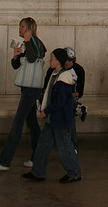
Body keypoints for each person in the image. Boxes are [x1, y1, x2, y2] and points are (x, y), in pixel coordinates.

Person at [0, 17, 46, 171]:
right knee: (32, 124)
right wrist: (15, 56)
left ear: (30, 28)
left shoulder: (36, 43)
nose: (19, 29)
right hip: (27, 88)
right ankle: (38, 158)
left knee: (17, 123)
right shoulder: (26, 44)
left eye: (22, 26)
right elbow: (16, 65)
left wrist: (27, 41)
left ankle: (4, 161)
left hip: (31, 89)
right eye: (19, 26)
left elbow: (34, 58)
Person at [22, 48, 82, 184]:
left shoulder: (64, 78)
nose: (50, 61)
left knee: (65, 147)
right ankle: (38, 172)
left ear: (59, 62)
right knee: (43, 145)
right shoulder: (54, 74)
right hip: (52, 119)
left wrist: (46, 110)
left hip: (60, 119)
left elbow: (60, 101)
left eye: (53, 59)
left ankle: (74, 173)